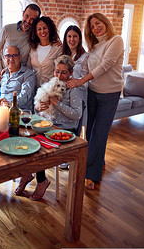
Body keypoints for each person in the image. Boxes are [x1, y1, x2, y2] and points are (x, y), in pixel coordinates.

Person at [68, 13, 124, 190]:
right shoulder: (94, 47)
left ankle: (90, 174)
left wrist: (81, 81)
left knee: (99, 132)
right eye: (92, 26)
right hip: (93, 92)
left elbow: (105, 65)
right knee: (91, 131)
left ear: (105, 23)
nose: (96, 28)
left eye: (98, 23)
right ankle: (98, 162)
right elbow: (84, 66)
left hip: (109, 94)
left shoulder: (116, 40)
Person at [14, 55, 82, 200]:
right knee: (24, 138)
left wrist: (57, 103)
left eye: (64, 72)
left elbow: (77, 115)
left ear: (70, 73)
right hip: (47, 125)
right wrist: (39, 107)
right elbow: (39, 108)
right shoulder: (50, 84)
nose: (59, 75)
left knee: (37, 146)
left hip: (64, 129)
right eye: (57, 71)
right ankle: (26, 174)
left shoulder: (73, 89)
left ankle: (41, 181)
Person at [59, 25, 89, 169]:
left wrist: (75, 83)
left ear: (79, 38)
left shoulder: (85, 57)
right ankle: (63, 157)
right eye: (69, 36)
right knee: (64, 128)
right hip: (64, 95)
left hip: (79, 95)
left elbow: (87, 80)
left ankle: (72, 160)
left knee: (75, 129)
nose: (72, 39)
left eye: (75, 36)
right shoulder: (63, 55)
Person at [0, 45, 36, 111]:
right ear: (4, 58)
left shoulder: (28, 74)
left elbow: (25, 96)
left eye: (15, 55)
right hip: (1, 111)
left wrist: (9, 103)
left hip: (19, 113)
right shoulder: (4, 74)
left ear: (19, 57)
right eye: (8, 56)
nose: (11, 59)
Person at [0, 4, 41, 72]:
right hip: (4, 74)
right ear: (23, 13)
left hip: (22, 76)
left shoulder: (35, 36)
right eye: (27, 16)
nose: (28, 21)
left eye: (32, 19)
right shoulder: (7, 29)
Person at [27, 16, 62, 87]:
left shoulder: (57, 48)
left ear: (49, 29)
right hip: (33, 90)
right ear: (36, 32)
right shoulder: (33, 49)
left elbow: (60, 72)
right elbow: (28, 69)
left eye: (45, 28)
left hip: (50, 90)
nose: (42, 31)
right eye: (39, 29)